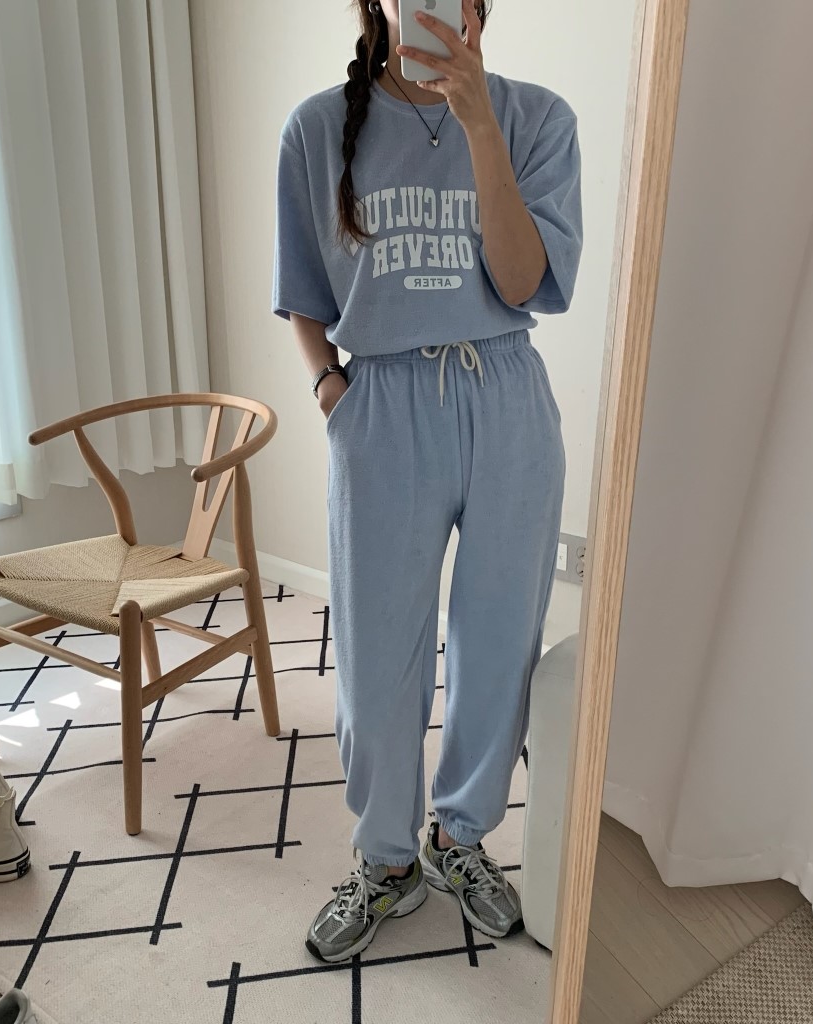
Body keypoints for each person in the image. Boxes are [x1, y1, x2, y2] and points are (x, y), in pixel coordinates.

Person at [272, 0, 583, 963]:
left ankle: (460, 838)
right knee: (374, 656)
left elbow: (524, 284)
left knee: (497, 642)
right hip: (383, 408)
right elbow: (302, 290)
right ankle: (386, 860)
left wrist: (479, 123)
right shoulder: (318, 128)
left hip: (506, 397)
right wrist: (331, 391)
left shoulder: (538, 118)